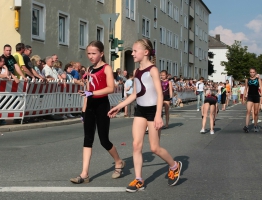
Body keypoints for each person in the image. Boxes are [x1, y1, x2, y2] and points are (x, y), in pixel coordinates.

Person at [108, 38, 182, 192]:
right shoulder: (136, 71)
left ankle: (174, 166)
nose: (133, 54)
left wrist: (157, 115)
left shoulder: (153, 70)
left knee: (155, 148)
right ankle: (138, 179)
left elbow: (160, 95)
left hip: (153, 110)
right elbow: (136, 93)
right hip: (140, 110)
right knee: (136, 144)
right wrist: (119, 106)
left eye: (135, 51)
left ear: (146, 52)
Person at [70, 41, 125, 184]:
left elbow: (110, 88)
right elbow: (87, 90)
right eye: (88, 53)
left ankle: (118, 162)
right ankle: (84, 173)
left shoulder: (106, 68)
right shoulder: (89, 69)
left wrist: (91, 93)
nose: (91, 56)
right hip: (90, 107)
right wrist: (83, 110)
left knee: (103, 140)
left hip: (102, 106)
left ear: (101, 54)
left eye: (94, 53)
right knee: (87, 139)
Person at [243, 68, 262, 133]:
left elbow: (261, 88)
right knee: (248, 111)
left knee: (256, 112)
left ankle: (255, 125)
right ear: (249, 73)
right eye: (251, 72)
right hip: (250, 96)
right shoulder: (247, 80)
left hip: (256, 96)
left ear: (255, 72)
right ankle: (246, 126)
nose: (252, 73)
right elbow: (246, 89)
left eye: (253, 72)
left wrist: (261, 97)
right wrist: (243, 97)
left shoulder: (258, 79)